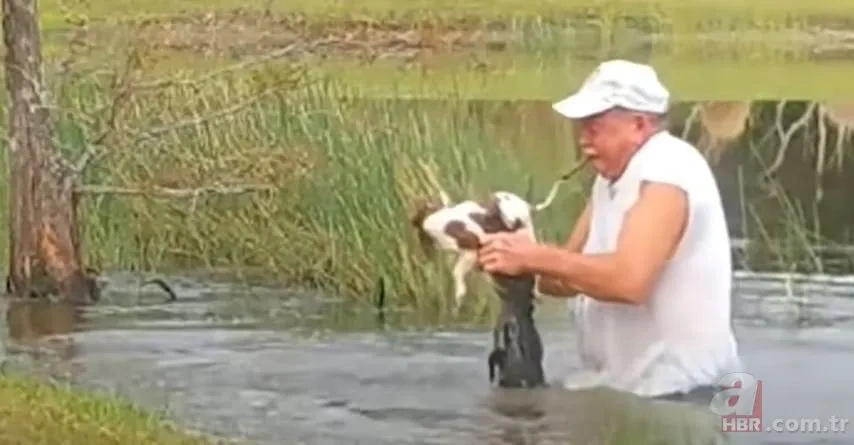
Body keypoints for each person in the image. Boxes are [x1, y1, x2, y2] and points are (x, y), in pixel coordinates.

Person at [476, 59, 742, 400]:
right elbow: (561, 280)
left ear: (639, 125)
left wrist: (535, 256)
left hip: (684, 392)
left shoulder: (668, 171)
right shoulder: (610, 179)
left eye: (594, 127)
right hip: (623, 387)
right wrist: (510, 257)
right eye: (582, 128)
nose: (583, 140)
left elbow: (629, 282)